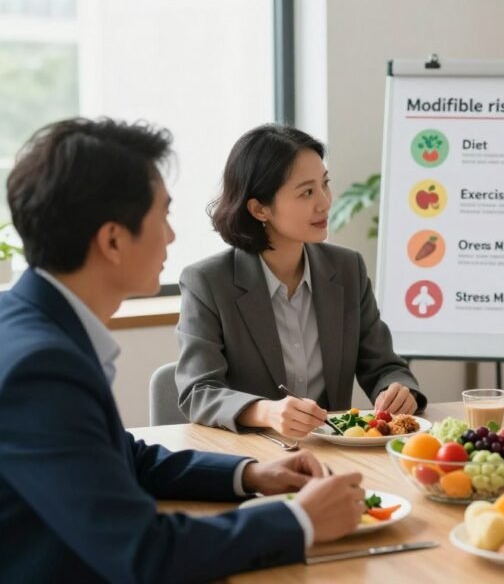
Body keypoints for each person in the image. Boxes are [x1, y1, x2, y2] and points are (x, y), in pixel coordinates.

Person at [0, 118, 367, 583]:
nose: (172, 237)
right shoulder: (40, 367)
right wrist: (299, 520)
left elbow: (122, 457)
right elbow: (145, 552)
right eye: (163, 216)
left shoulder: (31, 324)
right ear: (113, 239)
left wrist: (251, 475)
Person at [176, 124, 423, 438]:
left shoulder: (347, 269)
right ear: (259, 208)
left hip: (335, 453)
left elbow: (384, 365)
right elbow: (198, 391)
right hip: (254, 457)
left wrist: (397, 389)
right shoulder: (208, 282)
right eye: (307, 192)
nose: (324, 202)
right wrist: (266, 411)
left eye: (325, 184)